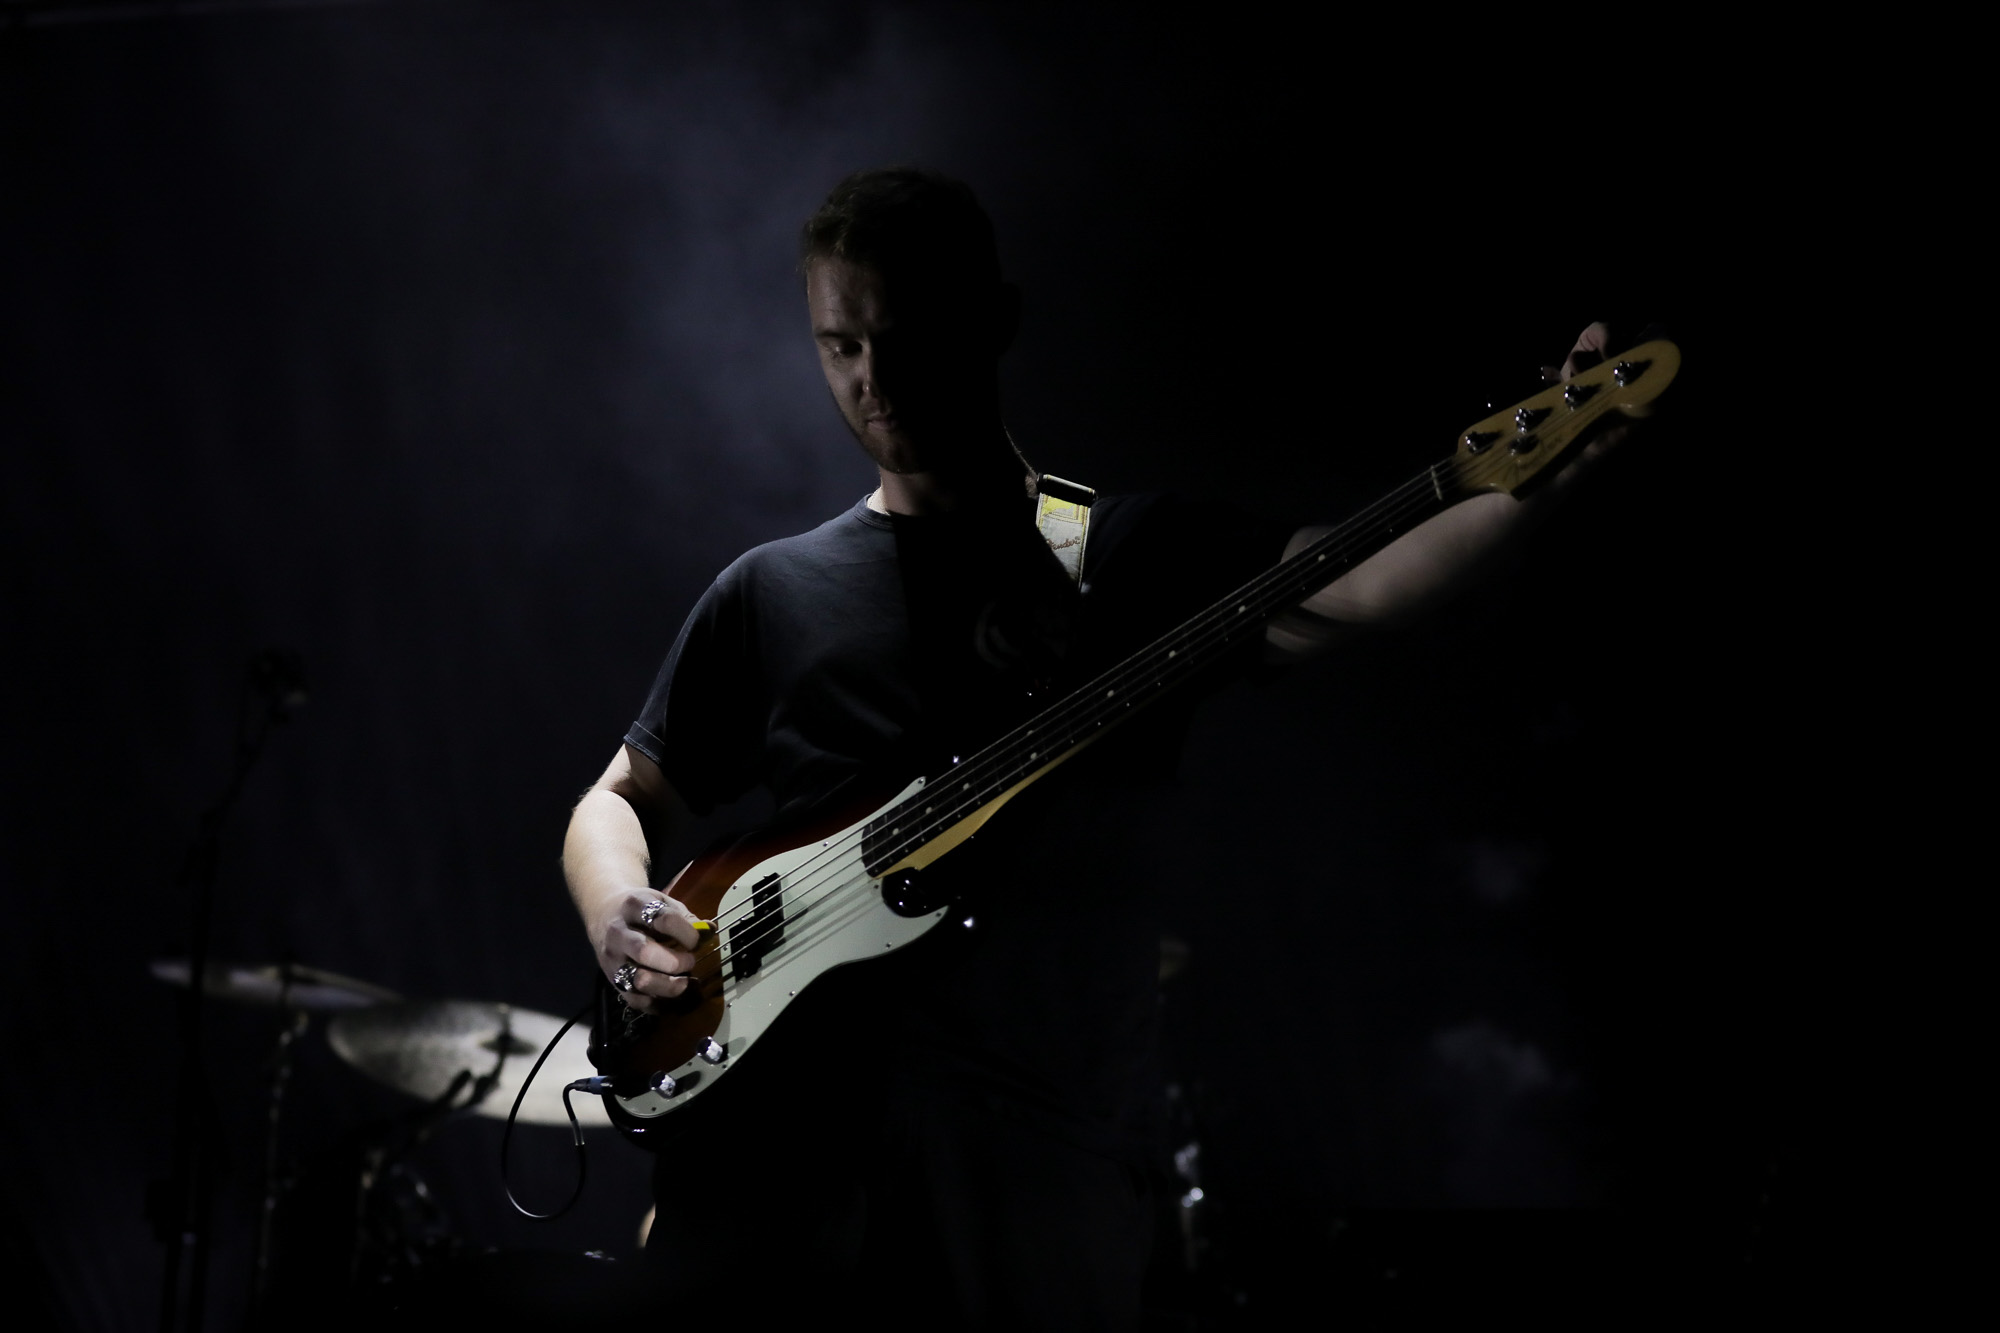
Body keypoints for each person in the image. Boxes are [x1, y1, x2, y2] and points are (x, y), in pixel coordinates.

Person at [561, 167, 1633, 1328]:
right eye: (839, 345)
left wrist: (1524, 487)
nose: (872, 377)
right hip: (776, 1158)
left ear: (993, 321)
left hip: (1027, 1176)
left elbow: (1351, 582)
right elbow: (616, 799)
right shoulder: (768, 590)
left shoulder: (1124, 556)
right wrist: (617, 910)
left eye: (903, 336)